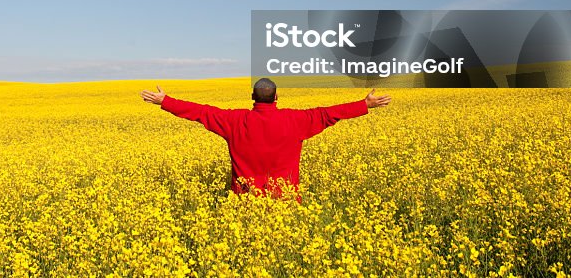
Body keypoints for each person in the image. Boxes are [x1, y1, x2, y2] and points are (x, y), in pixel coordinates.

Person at [140, 78, 391, 196]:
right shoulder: (296, 121)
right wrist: (364, 104)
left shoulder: (234, 121)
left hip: (244, 206)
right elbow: (328, 114)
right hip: (286, 204)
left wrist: (166, 101)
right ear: (276, 98)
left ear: (253, 97)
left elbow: (201, 113)